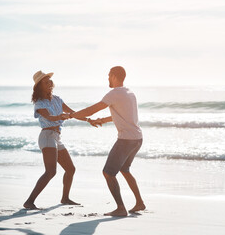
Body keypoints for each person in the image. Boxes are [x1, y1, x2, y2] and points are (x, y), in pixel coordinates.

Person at [70, 66, 145, 216]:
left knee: (108, 173)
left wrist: (71, 115)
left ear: (115, 76)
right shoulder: (129, 93)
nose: (108, 78)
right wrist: (103, 120)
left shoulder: (114, 93)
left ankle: (121, 208)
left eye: (109, 75)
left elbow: (92, 110)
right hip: (137, 138)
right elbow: (124, 115)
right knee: (124, 169)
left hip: (126, 140)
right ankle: (139, 203)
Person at [23, 70, 96, 210]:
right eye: (45, 82)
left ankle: (65, 198)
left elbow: (73, 113)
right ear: (40, 87)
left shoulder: (57, 99)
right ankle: (29, 201)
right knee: (51, 172)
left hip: (56, 137)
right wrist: (61, 117)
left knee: (70, 169)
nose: (49, 83)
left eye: (50, 80)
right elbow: (49, 117)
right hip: (47, 137)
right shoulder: (39, 103)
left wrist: (88, 120)